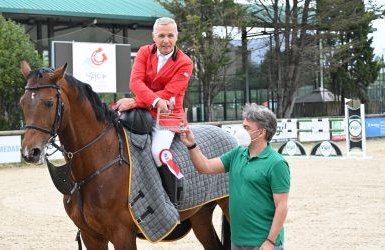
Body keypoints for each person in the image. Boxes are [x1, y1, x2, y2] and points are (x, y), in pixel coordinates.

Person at [180, 103, 290, 250]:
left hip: (263, 243)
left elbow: (282, 207)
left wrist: (270, 241)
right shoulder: (237, 153)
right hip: (237, 242)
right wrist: (191, 145)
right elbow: (205, 167)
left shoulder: (277, 163)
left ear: (261, 132)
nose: (242, 131)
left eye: (247, 128)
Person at [113, 17, 193, 203]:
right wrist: (151, 100)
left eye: (170, 35)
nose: (166, 40)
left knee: (158, 151)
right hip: (144, 110)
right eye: (161, 35)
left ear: (177, 37)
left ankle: (174, 194)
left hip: (168, 115)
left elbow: (169, 93)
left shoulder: (185, 62)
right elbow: (135, 82)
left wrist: (134, 102)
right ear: (154, 36)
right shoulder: (143, 52)